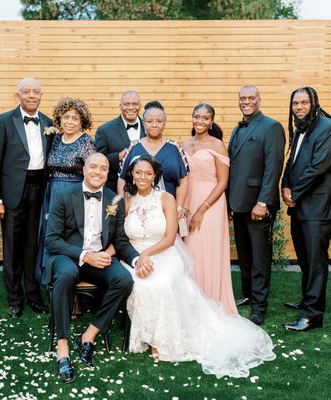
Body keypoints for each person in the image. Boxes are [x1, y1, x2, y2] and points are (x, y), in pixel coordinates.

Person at [122, 155, 275, 378]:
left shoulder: (166, 199)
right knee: (138, 283)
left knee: (162, 282)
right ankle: (146, 334)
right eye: (138, 173)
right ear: (132, 175)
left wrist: (147, 254)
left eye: (148, 173)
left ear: (155, 175)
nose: (143, 177)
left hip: (163, 253)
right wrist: (137, 257)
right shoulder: (127, 202)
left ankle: (160, 339)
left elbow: (170, 236)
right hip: (134, 256)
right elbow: (120, 238)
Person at [43, 153, 151, 384]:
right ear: (84, 169)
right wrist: (85, 256)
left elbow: (120, 241)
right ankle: (63, 348)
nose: (98, 172)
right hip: (67, 257)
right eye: (93, 167)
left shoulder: (115, 201)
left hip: (98, 261)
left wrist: (137, 260)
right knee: (67, 274)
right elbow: (52, 240)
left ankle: (88, 336)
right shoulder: (63, 195)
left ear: (107, 173)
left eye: (103, 169)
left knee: (124, 280)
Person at [0, 77, 52, 318]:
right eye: (27, 91)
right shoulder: (3, 121)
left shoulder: (48, 122)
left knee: (33, 246)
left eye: (36, 91)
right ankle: (14, 298)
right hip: (13, 192)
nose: (32, 95)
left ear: (41, 95)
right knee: (13, 246)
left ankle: (34, 296)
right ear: (18, 95)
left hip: (39, 189)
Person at [228, 85, 285, 325]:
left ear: (259, 99)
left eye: (251, 98)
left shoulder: (271, 127)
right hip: (238, 205)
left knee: (260, 258)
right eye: (243, 98)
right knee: (245, 256)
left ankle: (259, 306)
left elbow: (273, 168)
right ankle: (249, 295)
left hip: (257, 205)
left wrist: (263, 201)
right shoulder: (237, 128)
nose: (246, 102)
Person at [281, 87, 331, 332]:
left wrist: (295, 194)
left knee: (315, 261)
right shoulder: (300, 128)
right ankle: (307, 300)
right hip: (299, 206)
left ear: (314, 103)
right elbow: (292, 161)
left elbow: (318, 167)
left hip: (317, 208)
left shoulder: (326, 127)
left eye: (303, 103)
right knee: (304, 257)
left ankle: (313, 314)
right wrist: (285, 186)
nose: (298, 108)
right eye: (295, 104)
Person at [182, 104, 237, 315]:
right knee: (189, 253)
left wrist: (202, 209)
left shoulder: (217, 145)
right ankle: (192, 301)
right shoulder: (185, 144)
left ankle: (211, 300)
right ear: (192, 118)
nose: (200, 121)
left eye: (205, 118)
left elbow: (223, 182)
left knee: (204, 249)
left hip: (210, 204)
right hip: (189, 201)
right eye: (197, 117)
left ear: (211, 121)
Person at [35, 97, 96, 285]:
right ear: (59, 119)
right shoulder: (54, 139)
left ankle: (73, 289)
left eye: (75, 118)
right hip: (52, 192)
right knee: (50, 234)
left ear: (82, 122)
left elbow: (93, 172)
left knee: (70, 237)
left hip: (75, 195)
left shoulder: (87, 142)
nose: (70, 122)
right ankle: (50, 280)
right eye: (66, 117)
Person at [117, 103, 188, 208]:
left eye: (159, 121)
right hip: (137, 208)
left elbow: (183, 180)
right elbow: (122, 178)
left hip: (167, 208)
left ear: (164, 123)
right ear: (144, 123)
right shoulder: (134, 147)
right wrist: (122, 206)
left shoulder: (175, 148)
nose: (154, 125)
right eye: (149, 121)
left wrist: (179, 207)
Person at [95, 91, 145, 192]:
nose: (131, 108)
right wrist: (118, 157)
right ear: (120, 106)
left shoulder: (149, 127)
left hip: (145, 188)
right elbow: (98, 160)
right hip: (114, 189)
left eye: (135, 104)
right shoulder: (105, 130)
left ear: (140, 106)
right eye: (126, 104)